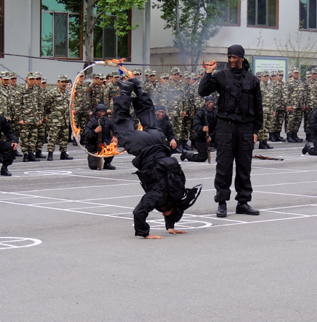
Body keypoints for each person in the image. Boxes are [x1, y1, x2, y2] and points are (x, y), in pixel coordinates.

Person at [111, 74, 200, 239]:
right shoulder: (161, 197)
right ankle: (124, 92)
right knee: (121, 126)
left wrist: (170, 226)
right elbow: (139, 212)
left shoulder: (178, 192)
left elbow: (172, 206)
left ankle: (137, 88)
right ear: (167, 213)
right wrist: (145, 233)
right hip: (145, 148)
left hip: (160, 141)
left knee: (150, 119)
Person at [198, 45, 263, 218]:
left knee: (244, 166)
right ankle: (222, 202)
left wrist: (256, 130)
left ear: (242, 58)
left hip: (246, 128)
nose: (231, 60)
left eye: (234, 57)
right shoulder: (221, 76)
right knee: (224, 166)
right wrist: (208, 72)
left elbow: (258, 108)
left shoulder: (252, 80)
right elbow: (202, 91)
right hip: (225, 126)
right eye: (229, 57)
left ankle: (243, 202)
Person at [181, 96, 216, 162]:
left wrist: (211, 136)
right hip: (200, 137)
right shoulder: (201, 113)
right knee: (202, 158)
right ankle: (186, 155)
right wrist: (202, 128)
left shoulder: (215, 113)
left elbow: (216, 126)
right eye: (209, 102)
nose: (210, 104)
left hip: (209, 137)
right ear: (206, 103)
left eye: (212, 102)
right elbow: (196, 126)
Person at [83, 103, 116, 170]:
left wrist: (115, 137)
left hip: (104, 145)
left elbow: (116, 129)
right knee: (93, 166)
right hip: (94, 146)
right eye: (100, 112)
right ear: (97, 112)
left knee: (113, 146)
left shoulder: (107, 121)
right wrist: (95, 131)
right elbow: (86, 135)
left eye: (103, 112)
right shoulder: (92, 122)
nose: (102, 113)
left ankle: (107, 163)